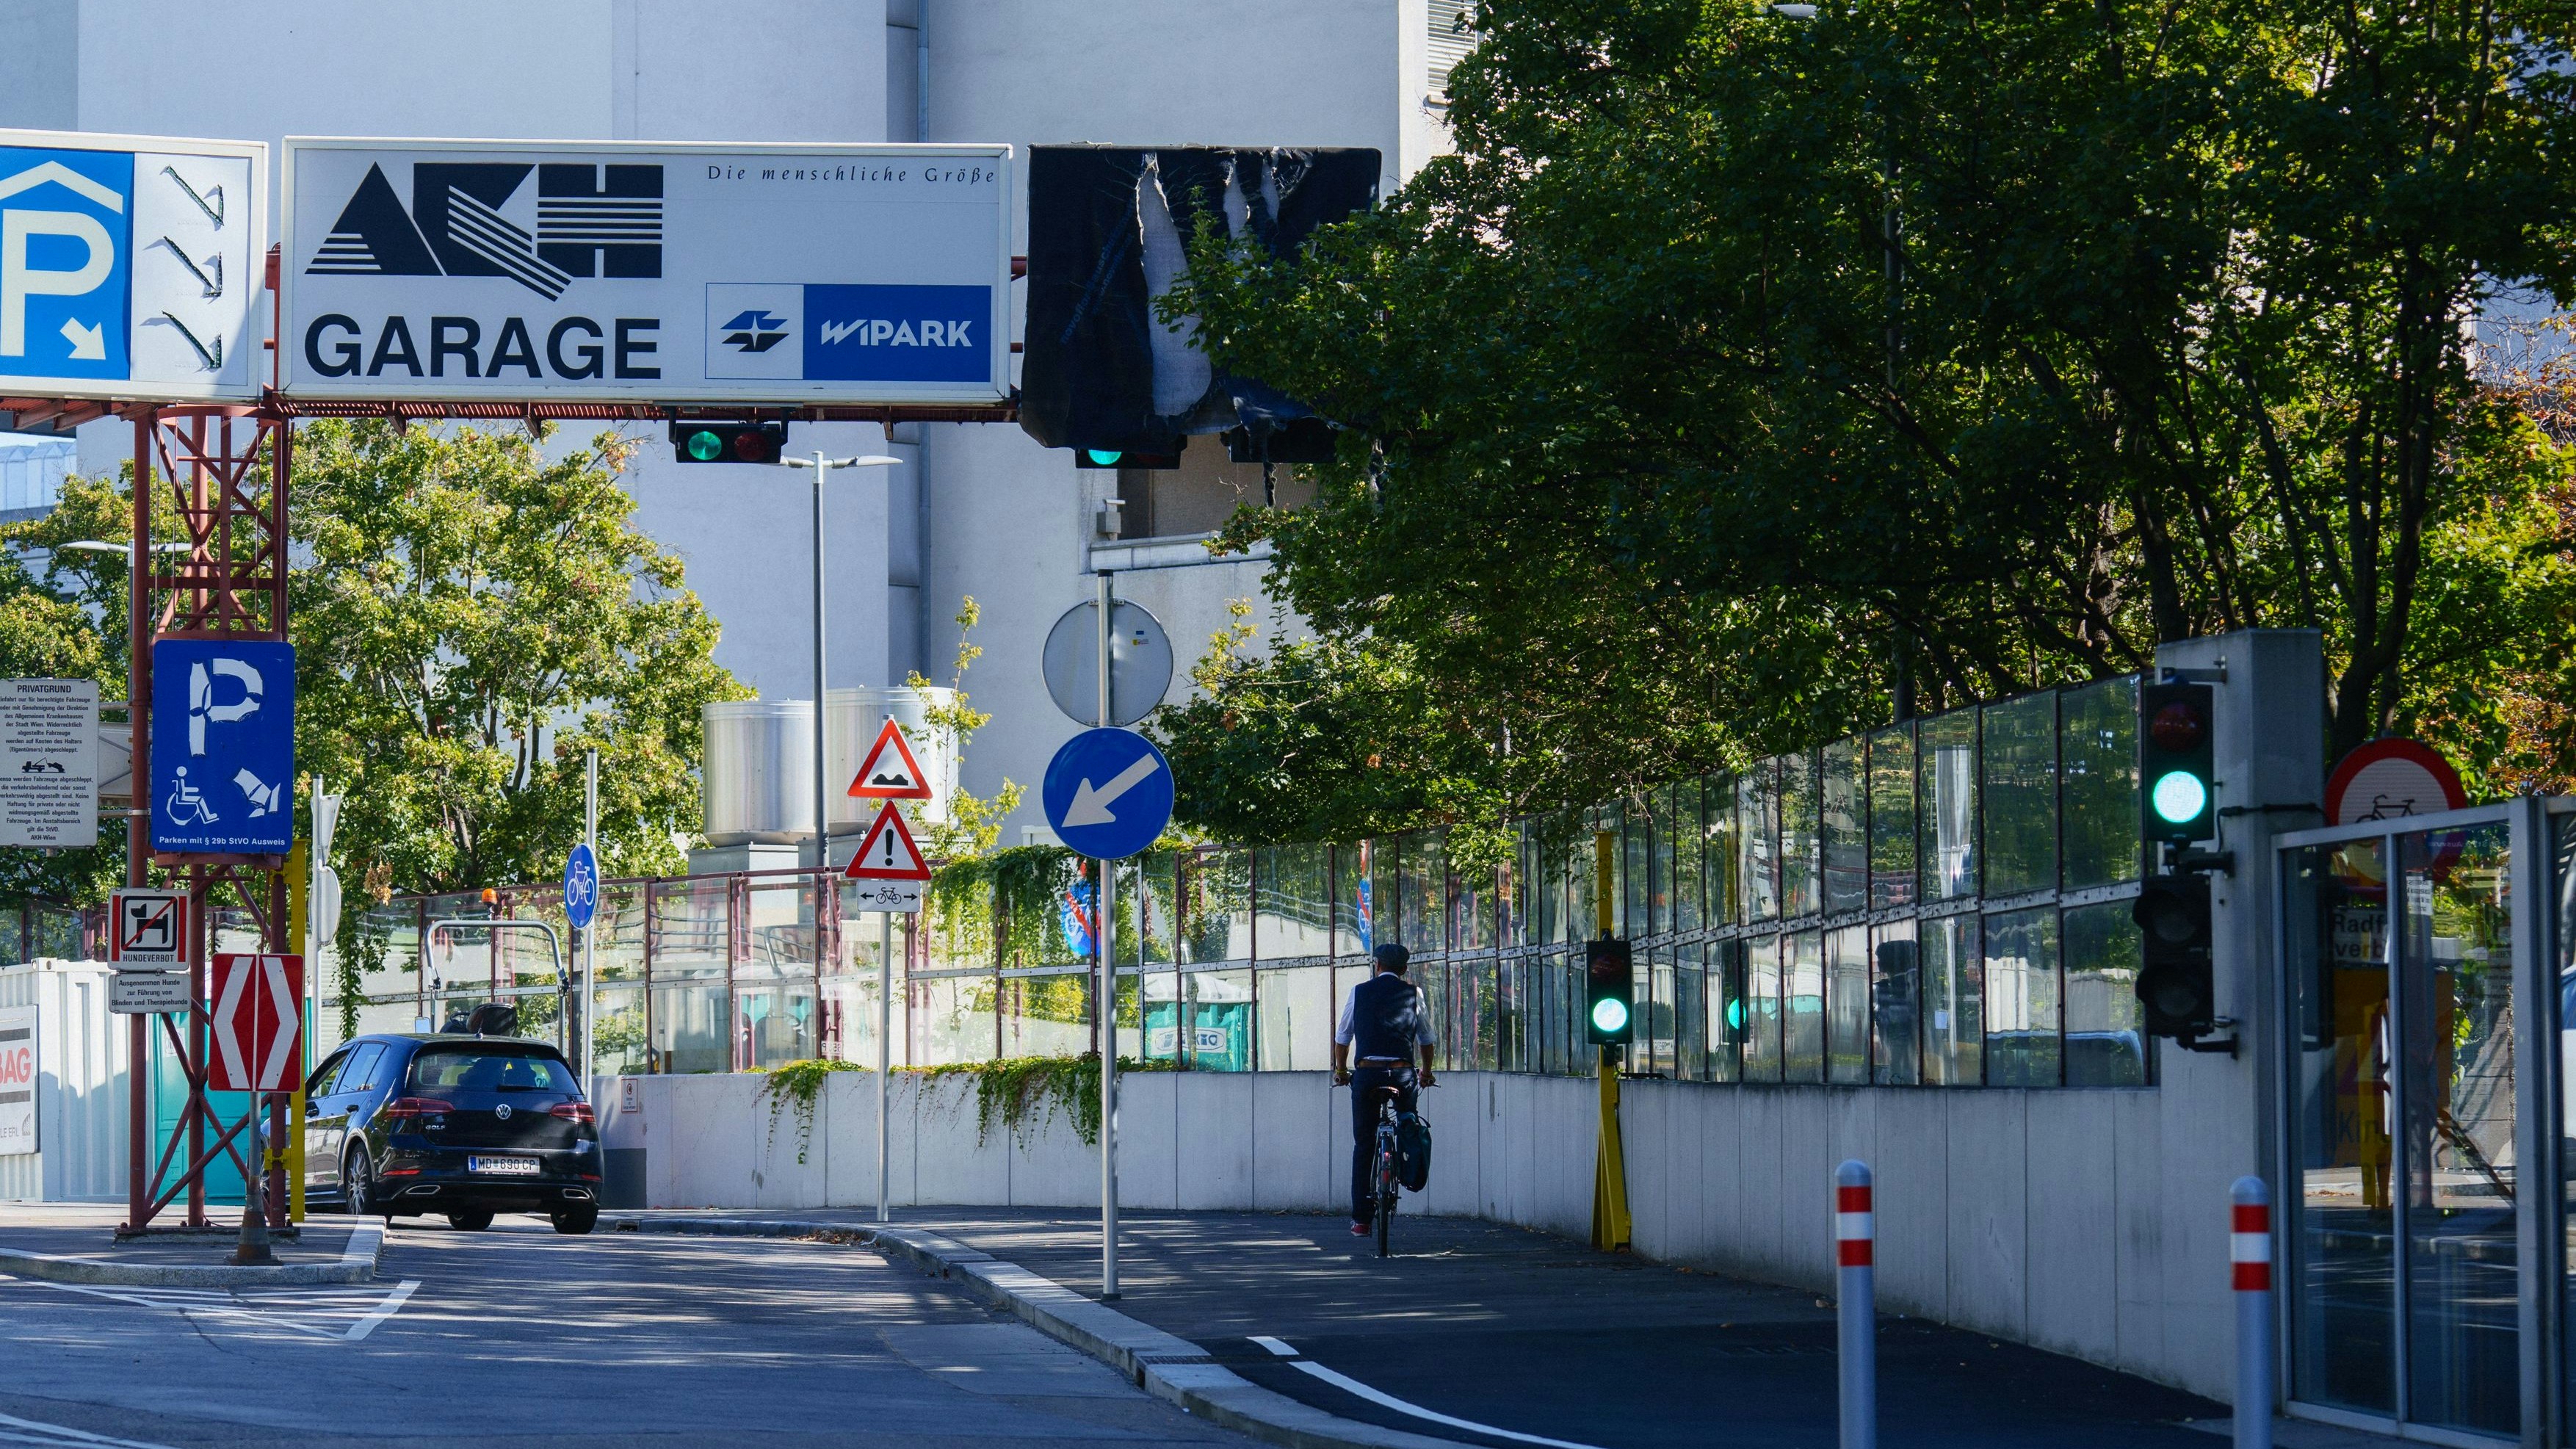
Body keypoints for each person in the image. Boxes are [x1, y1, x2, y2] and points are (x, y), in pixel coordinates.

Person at [1331, 942, 1435, 1236]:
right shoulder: (1413, 993)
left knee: (1364, 1145)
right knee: (1408, 1127)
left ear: (1376, 966)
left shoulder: (1359, 992)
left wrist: (1342, 1071)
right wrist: (1426, 1073)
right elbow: (1426, 1039)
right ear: (1404, 970)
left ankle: (1361, 1220)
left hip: (1367, 1074)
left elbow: (1343, 1038)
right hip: (1403, 1075)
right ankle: (1406, 1169)